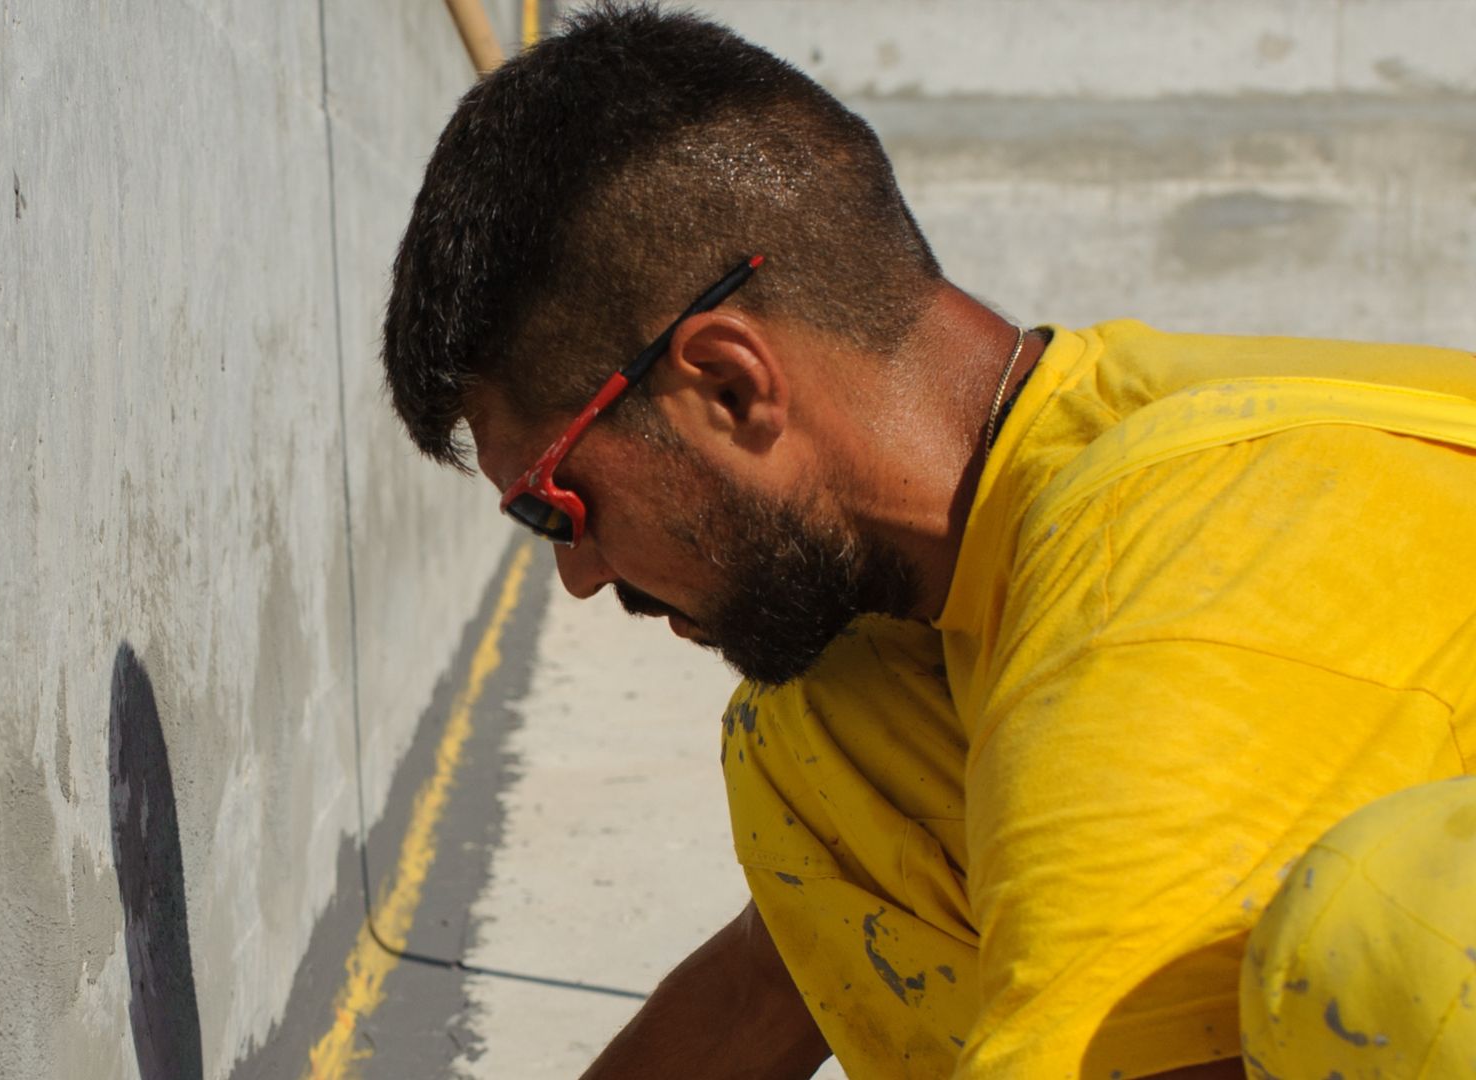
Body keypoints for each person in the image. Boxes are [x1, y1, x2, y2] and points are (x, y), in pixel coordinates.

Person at [381, 5, 1476, 1078]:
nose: (577, 576)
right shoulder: (991, 533)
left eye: (555, 503)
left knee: (1388, 950)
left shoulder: (1163, 582)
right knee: (808, 733)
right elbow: (775, 981)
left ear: (728, 383)